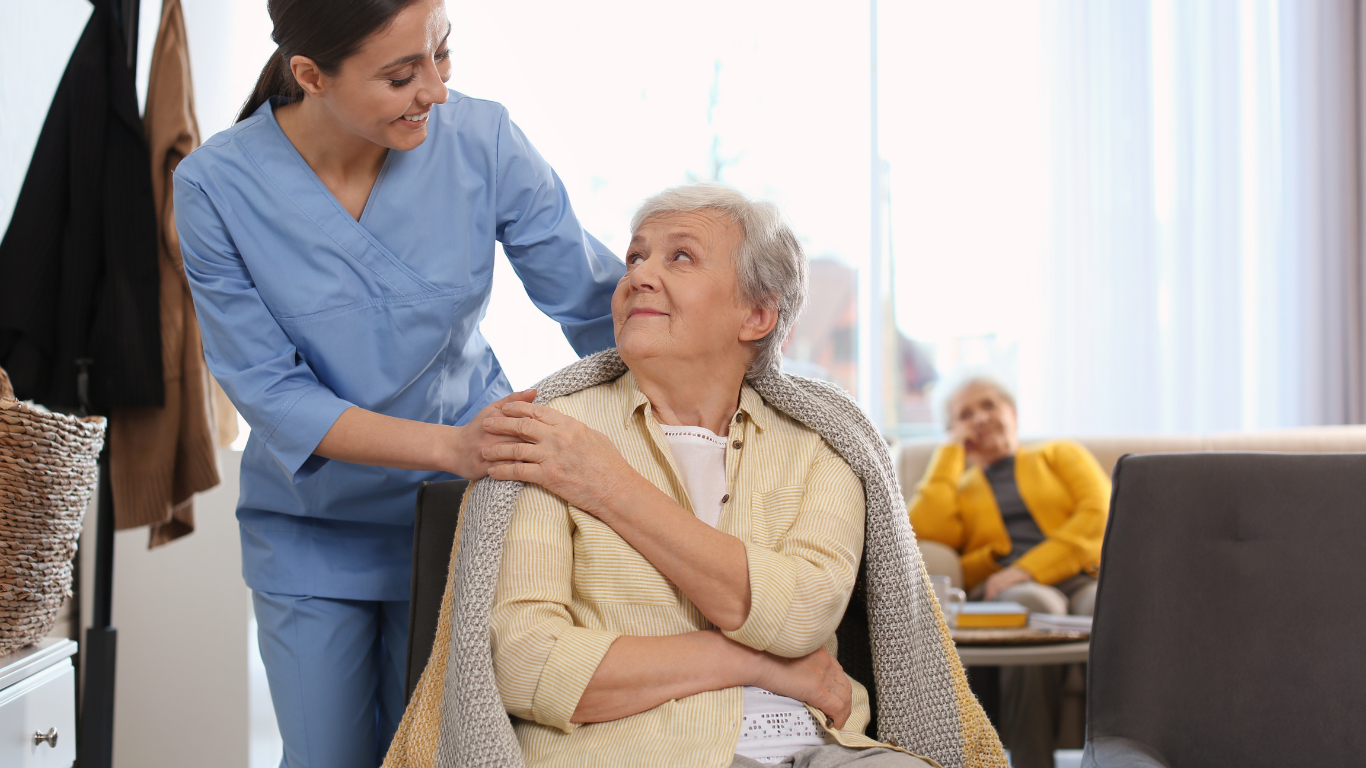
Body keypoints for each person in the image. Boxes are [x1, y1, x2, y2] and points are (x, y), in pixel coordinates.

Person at [173, 0, 623, 765]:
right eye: (401, 74)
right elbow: (270, 391)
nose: (436, 91)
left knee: (446, 751)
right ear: (311, 75)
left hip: (465, 520)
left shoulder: (482, 141)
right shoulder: (216, 186)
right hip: (314, 527)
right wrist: (455, 447)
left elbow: (592, 304)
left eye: (442, 55)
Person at [471, 185, 935, 767]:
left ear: (757, 315)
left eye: (680, 257)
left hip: (821, 748)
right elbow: (526, 663)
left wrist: (608, 484)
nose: (638, 275)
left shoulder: (824, 445)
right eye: (635, 257)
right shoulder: (553, 435)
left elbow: (801, 616)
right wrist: (756, 664)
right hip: (637, 752)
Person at [908, 377, 1110, 768]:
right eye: (965, 415)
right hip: (1010, 593)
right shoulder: (960, 489)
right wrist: (950, 451)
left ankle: (1120, 755)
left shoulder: (1059, 454)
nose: (980, 418)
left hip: (1082, 576)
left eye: (988, 406)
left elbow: (1099, 515)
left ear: (1011, 413)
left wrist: (1026, 568)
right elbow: (923, 530)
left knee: (1105, 602)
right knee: (1035, 603)